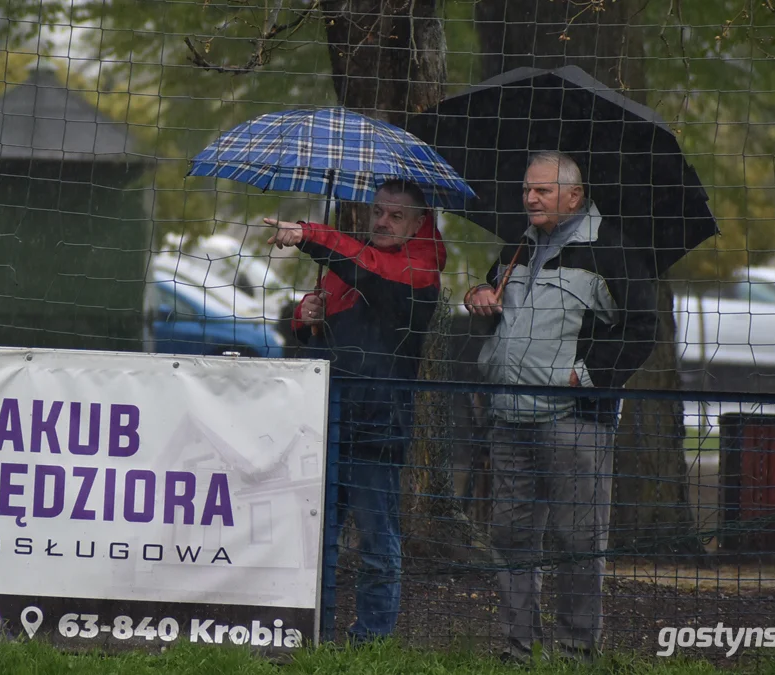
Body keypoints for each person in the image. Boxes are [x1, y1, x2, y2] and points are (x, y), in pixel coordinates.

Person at [463, 151, 657, 663]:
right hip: (508, 418)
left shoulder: (611, 251)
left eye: (542, 191)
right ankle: (517, 649)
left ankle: (575, 653)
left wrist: (587, 377)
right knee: (508, 538)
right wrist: (478, 294)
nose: (530, 198)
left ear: (574, 196)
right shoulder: (515, 248)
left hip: (576, 421)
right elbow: (494, 308)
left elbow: (642, 330)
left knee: (578, 540)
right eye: (527, 190)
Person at [264, 179, 446, 643]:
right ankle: (309, 631)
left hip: (377, 428)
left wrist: (307, 234)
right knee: (313, 536)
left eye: (395, 215)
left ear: (419, 224)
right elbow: (325, 336)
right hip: (324, 419)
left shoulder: (418, 270)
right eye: (377, 212)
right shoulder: (355, 259)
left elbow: (367, 271)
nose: (382, 221)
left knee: (376, 544)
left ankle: (371, 641)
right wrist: (307, 322)